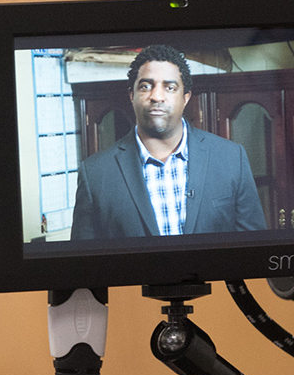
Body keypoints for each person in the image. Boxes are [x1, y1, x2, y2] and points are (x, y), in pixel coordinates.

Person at [68, 43, 268, 240]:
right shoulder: (95, 174)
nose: (157, 96)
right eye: (146, 86)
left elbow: (253, 245)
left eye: (170, 87)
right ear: (132, 96)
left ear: (185, 98)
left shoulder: (231, 158)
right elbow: (86, 258)